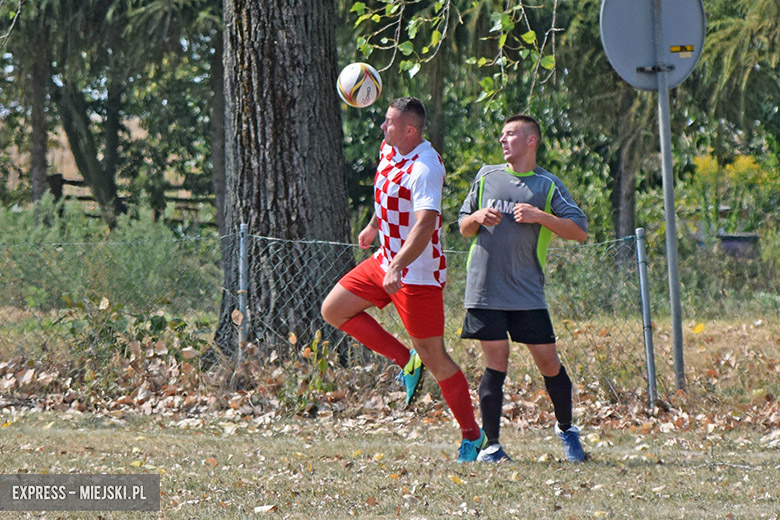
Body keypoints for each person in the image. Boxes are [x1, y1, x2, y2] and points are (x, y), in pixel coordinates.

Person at [321, 97, 486, 463]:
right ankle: (406, 360)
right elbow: (387, 194)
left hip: (418, 274)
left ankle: (473, 436)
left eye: (389, 122)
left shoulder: (426, 167)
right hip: (386, 260)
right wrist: (373, 225)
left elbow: (425, 224)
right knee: (333, 310)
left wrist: (397, 266)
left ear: (410, 130)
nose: (383, 126)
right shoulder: (389, 149)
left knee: (436, 358)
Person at [458, 114, 588, 463]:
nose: (503, 140)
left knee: (549, 363)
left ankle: (567, 430)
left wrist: (540, 216)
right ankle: (491, 447)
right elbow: (463, 226)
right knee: (495, 362)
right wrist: (477, 218)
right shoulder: (486, 176)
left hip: (526, 292)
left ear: (531, 140)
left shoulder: (547, 184)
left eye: (511, 134)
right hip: (484, 289)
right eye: (502, 134)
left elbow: (579, 231)